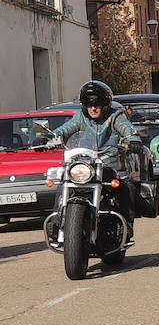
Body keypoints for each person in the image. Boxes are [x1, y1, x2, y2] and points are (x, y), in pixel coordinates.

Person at [50, 81, 141, 236]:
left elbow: (127, 128)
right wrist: (51, 136)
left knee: (128, 185)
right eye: (89, 104)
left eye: (97, 104)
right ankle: (56, 222)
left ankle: (126, 224)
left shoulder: (115, 116)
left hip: (109, 166)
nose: (93, 108)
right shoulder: (80, 117)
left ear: (105, 104)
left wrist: (133, 140)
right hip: (86, 163)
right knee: (65, 178)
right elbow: (66, 129)